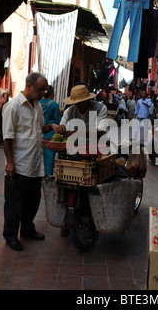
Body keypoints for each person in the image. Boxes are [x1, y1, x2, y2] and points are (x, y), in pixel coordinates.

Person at [2, 72, 60, 251]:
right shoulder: (13, 107)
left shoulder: (37, 107)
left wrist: (50, 126)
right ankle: (10, 235)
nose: (43, 93)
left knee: (32, 202)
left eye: (45, 90)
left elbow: (38, 129)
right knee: (14, 204)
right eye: (40, 89)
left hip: (35, 164)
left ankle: (27, 229)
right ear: (29, 85)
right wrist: (10, 162)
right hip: (19, 164)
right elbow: (7, 137)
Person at [53, 84, 108, 237]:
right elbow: (63, 125)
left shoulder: (100, 108)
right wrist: (61, 129)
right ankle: (66, 216)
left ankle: (95, 214)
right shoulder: (70, 111)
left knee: (94, 182)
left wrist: (81, 132)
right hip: (74, 152)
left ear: (87, 100)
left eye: (81, 102)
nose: (78, 105)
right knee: (63, 180)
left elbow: (102, 130)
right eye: (76, 102)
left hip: (93, 151)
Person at [40, 85, 61, 176]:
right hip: (51, 134)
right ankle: (48, 177)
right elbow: (58, 122)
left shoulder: (38, 103)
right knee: (49, 158)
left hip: (40, 133)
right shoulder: (54, 105)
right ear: (52, 93)